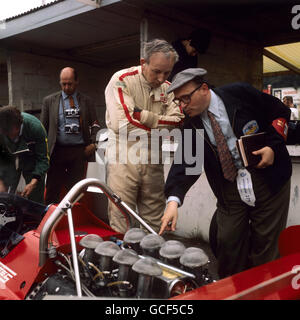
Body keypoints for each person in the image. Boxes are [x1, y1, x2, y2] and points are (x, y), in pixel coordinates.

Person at [159, 68, 292, 279]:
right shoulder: (192, 125)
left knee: (266, 245)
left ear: (203, 88)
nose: (182, 107)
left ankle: (264, 289)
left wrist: (273, 148)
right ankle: (232, 289)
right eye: (178, 101)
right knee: (228, 242)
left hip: (268, 177)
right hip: (229, 186)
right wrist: (173, 201)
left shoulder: (240, 93)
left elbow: (280, 113)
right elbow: (186, 164)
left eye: (186, 98)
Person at [105, 39, 184, 234]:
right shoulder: (121, 80)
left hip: (154, 160)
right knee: (122, 218)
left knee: (156, 222)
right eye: (156, 71)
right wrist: (161, 124)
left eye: (167, 72)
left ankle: (154, 262)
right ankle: (122, 263)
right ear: (143, 63)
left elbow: (178, 123)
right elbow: (122, 125)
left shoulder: (168, 87)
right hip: (123, 158)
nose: (161, 78)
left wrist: (144, 116)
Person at [41, 67, 100, 204]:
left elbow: (96, 124)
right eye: (63, 84)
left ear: (77, 81)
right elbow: (43, 128)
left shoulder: (87, 101)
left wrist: (94, 144)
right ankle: (50, 221)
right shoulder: (49, 101)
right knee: (52, 189)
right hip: (56, 151)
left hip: (79, 152)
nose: (66, 87)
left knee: (76, 191)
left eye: (70, 83)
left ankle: (75, 220)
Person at [0, 106, 49, 204]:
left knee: (35, 198)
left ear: (18, 127)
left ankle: (35, 217)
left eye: (9, 133)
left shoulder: (36, 127)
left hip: (32, 159)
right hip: (8, 159)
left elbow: (43, 159)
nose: (7, 135)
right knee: (4, 196)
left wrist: (33, 182)